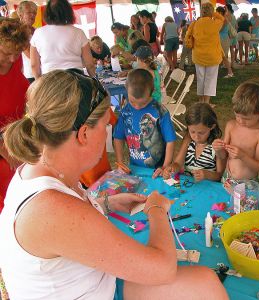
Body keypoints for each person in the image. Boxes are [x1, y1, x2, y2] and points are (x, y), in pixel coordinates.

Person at [0, 69, 228, 299]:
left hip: (91, 282)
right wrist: (157, 209)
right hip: (95, 291)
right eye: (106, 126)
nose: (108, 132)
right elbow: (164, 269)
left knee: (202, 282)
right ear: (84, 134)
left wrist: (106, 203)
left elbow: (66, 222)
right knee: (206, 283)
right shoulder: (52, 209)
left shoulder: (36, 171)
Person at [113, 69, 176, 178]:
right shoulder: (125, 112)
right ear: (126, 89)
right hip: (135, 169)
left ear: (152, 92)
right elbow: (118, 138)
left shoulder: (160, 112)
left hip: (159, 170)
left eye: (142, 103)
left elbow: (171, 141)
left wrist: (165, 166)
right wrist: (120, 162)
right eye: (132, 102)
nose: (137, 107)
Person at [213, 83, 259, 190]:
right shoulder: (231, 125)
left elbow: (258, 167)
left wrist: (242, 156)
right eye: (237, 116)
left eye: (246, 119)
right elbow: (223, 156)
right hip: (227, 179)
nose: (240, 121)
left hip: (248, 185)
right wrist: (218, 149)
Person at [0, 17, 30, 213]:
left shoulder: (16, 58)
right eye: (6, 53)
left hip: (17, 133)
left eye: (17, 53)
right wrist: (6, 150)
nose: (13, 58)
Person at [30, 0, 95, 78]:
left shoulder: (38, 33)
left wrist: (40, 84)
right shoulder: (79, 32)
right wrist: (95, 80)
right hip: (75, 79)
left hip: (49, 80)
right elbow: (89, 64)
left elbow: (34, 65)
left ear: (47, 12)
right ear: (68, 12)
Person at [163, 103, 226, 182]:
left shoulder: (216, 146)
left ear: (212, 127)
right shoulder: (188, 139)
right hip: (189, 186)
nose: (196, 137)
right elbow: (178, 163)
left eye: (201, 133)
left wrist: (206, 174)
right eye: (192, 131)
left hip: (208, 188)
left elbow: (219, 175)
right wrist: (171, 168)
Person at [185, 3, 224, 105]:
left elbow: (187, 37)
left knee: (200, 79)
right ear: (211, 11)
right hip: (213, 57)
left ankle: (200, 101)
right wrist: (213, 13)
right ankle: (206, 103)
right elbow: (221, 18)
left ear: (201, 11)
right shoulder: (215, 23)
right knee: (210, 80)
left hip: (198, 56)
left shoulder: (194, 24)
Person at [17, 0, 37, 83]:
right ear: (21, 15)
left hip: (41, 71)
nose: (33, 15)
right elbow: (30, 54)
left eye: (34, 13)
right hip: (29, 75)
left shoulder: (36, 30)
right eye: (29, 12)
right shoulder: (18, 32)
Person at [216, 6, 234, 78]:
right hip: (222, 39)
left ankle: (230, 72)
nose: (216, 14)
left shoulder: (224, 19)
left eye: (217, 12)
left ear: (220, 12)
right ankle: (227, 72)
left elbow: (219, 29)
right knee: (221, 56)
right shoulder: (223, 18)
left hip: (223, 39)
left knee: (223, 56)